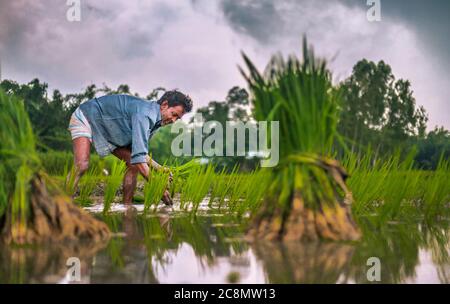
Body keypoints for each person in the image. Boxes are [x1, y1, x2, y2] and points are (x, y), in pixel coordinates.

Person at [67, 90, 192, 205]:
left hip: (110, 130)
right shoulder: (145, 115)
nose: (174, 120)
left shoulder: (155, 121)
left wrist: (160, 169)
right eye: (174, 114)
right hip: (87, 116)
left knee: (132, 164)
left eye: (178, 118)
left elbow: (138, 152)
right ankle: (65, 205)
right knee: (82, 165)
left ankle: (127, 206)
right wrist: (158, 187)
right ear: (164, 105)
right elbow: (139, 158)